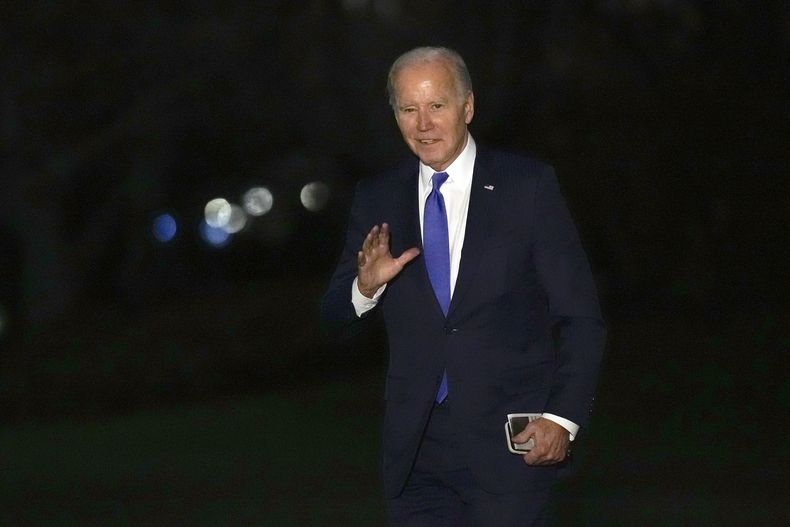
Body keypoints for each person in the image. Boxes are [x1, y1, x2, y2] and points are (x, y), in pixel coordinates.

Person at [322, 46, 605, 526]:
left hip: (510, 448)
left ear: (467, 107)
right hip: (416, 452)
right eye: (409, 109)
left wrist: (562, 418)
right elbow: (334, 314)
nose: (424, 123)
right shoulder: (378, 198)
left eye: (437, 106)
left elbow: (581, 316)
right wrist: (365, 287)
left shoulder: (526, 187)